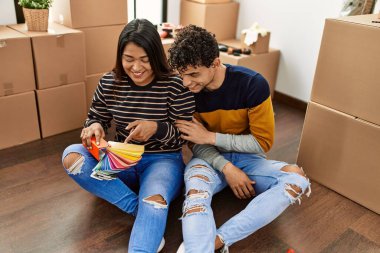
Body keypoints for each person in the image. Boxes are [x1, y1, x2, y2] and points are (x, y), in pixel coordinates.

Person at [168, 25, 311, 253]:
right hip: (209, 160)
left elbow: (262, 143)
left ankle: (218, 240)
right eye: (181, 74)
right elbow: (195, 142)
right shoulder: (184, 92)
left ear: (215, 63)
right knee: (195, 193)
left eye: (193, 74)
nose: (186, 83)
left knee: (297, 181)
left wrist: (210, 136)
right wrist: (227, 168)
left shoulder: (253, 85)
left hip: (248, 158)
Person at [62, 19, 195, 253]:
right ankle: (140, 210)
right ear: (120, 57)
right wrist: (93, 126)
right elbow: (96, 116)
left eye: (145, 60)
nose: (136, 68)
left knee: (153, 202)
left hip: (163, 161)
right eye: (129, 59)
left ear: (156, 56)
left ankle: (149, 211)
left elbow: (184, 135)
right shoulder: (109, 82)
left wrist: (156, 127)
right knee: (72, 156)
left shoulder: (175, 85)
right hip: (122, 158)